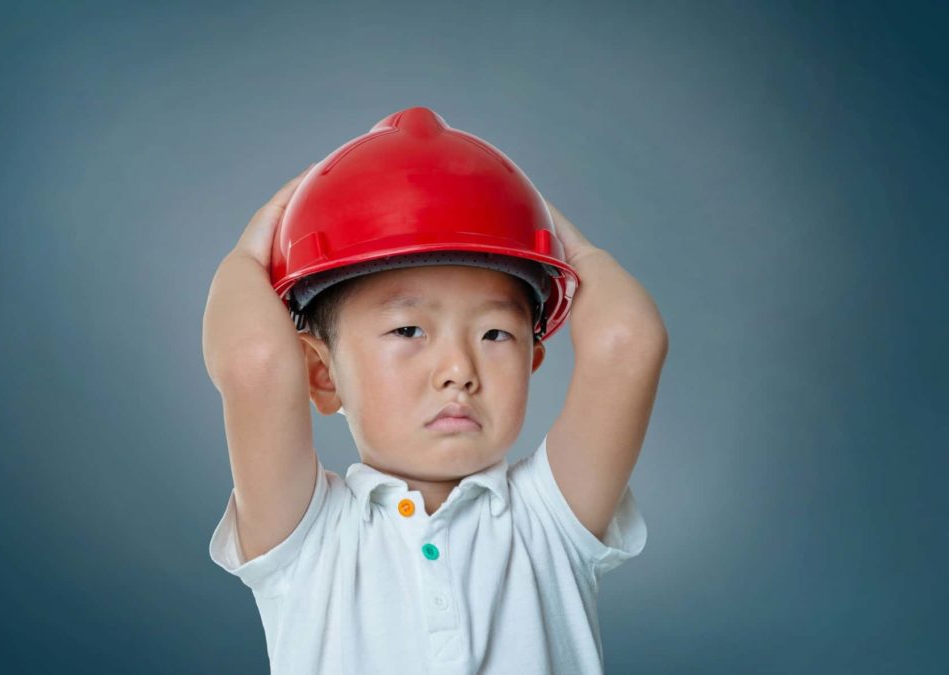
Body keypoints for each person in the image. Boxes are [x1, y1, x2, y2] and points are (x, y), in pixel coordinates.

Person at [201, 112, 668, 674]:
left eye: (495, 333)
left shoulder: (549, 518)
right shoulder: (309, 538)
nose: (458, 370)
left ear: (532, 361)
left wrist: (545, 223)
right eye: (408, 330)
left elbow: (628, 343)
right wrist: (250, 254)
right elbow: (255, 363)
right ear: (321, 375)